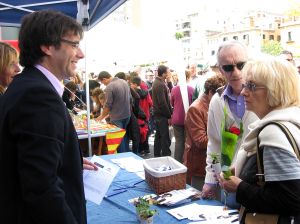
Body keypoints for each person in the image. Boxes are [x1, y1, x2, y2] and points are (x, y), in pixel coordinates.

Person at [0, 10, 97, 224]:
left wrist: (68, 161)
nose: (81, 54)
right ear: (47, 46)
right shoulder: (38, 95)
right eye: (74, 44)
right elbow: (41, 187)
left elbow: (27, 159)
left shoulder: (27, 85)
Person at [219, 57, 300, 223]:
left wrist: (239, 187)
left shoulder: (273, 132)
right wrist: (245, 170)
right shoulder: (291, 119)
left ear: (274, 91)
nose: (243, 92)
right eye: (245, 85)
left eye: (252, 86)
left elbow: (291, 199)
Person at [201, 41, 258, 208]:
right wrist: (210, 180)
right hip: (229, 182)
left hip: (258, 183)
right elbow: (214, 144)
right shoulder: (217, 101)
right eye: (228, 67)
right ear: (220, 70)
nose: (236, 72)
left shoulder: (264, 95)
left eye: (241, 65)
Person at [183, 75, 226, 190]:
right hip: (199, 166)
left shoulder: (214, 105)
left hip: (213, 163)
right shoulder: (196, 109)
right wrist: (227, 136)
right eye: (221, 94)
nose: (223, 97)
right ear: (211, 92)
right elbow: (200, 141)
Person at [96, 70, 131, 153]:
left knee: (119, 140)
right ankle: (126, 155)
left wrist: (101, 117)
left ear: (104, 79)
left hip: (117, 117)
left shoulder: (110, 87)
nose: (103, 84)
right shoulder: (123, 82)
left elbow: (108, 105)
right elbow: (130, 98)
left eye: (102, 82)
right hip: (127, 114)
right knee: (124, 136)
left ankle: (122, 158)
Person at [170, 69, 194, 163]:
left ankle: (177, 162)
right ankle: (186, 161)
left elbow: (171, 103)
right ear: (187, 77)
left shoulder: (174, 89)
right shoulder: (191, 89)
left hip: (176, 119)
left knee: (179, 142)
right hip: (188, 119)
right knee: (187, 142)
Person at [152, 65, 173, 157]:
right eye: (168, 72)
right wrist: (169, 115)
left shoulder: (159, 82)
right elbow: (162, 103)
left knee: (159, 136)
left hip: (159, 114)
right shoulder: (159, 84)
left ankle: (157, 155)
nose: (169, 74)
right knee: (164, 138)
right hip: (161, 115)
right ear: (164, 73)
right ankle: (166, 156)